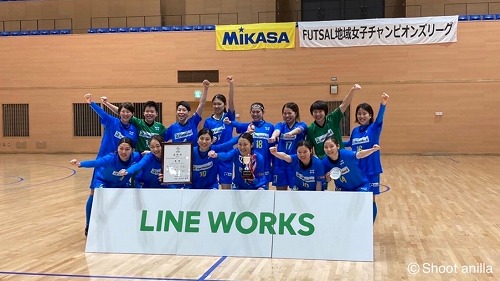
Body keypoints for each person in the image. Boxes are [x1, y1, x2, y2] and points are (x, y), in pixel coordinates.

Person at [82, 93, 138, 236]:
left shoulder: (133, 130)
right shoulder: (112, 122)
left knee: (121, 194)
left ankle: (117, 224)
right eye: (123, 111)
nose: (125, 114)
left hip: (121, 166)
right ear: (119, 113)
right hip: (104, 164)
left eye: (128, 112)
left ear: (132, 114)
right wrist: (91, 103)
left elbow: (133, 149)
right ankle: (89, 224)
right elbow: (101, 112)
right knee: (94, 193)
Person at [70, 137, 141, 236]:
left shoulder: (136, 157)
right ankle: (89, 225)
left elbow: (145, 161)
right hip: (103, 181)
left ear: (132, 150)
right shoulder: (110, 158)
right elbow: (96, 163)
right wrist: (80, 164)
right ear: (117, 148)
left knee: (132, 195)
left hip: (120, 183)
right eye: (121, 148)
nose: (123, 152)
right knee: (97, 195)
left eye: (127, 149)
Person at [321, 137, 380, 222]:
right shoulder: (324, 162)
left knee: (359, 203)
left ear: (337, 146)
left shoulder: (346, 154)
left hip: (360, 185)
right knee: (343, 210)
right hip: (343, 189)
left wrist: (372, 150)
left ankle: (366, 226)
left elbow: (359, 154)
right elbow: (325, 180)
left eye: (331, 146)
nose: (329, 149)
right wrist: (327, 178)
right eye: (326, 147)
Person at [344, 93, 389, 196]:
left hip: (371, 168)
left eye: (364, 113)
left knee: (370, 199)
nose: (361, 116)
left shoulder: (374, 127)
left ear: (370, 115)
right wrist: (334, 142)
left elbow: (380, 117)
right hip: (357, 168)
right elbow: (350, 143)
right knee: (359, 197)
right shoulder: (355, 131)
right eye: (359, 114)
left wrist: (383, 104)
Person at [306, 84, 361, 158]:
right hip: (325, 162)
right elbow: (309, 148)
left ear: (325, 112)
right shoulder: (310, 129)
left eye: (320, 111)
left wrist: (352, 90)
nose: (318, 114)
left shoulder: (332, 119)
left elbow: (344, 105)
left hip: (340, 157)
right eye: (315, 112)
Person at [227, 103, 274, 185]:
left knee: (263, 189)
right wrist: (230, 122)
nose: (255, 114)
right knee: (247, 187)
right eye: (253, 112)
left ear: (263, 112)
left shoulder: (270, 127)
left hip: (264, 164)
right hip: (247, 163)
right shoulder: (247, 126)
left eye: (258, 112)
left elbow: (273, 147)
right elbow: (238, 124)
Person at [203, 76, 236, 189]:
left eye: (219, 104)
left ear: (224, 105)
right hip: (212, 157)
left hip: (226, 156)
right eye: (214, 104)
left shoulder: (228, 117)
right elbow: (204, 139)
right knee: (212, 188)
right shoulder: (208, 121)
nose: (216, 106)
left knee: (226, 188)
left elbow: (231, 102)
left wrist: (231, 85)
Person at [101, 99, 166, 153]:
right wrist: (106, 103)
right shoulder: (138, 123)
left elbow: (166, 141)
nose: (149, 113)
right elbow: (124, 112)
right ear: (144, 113)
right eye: (147, 111)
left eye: (152, 112)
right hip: (139, 157)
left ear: (156, 113)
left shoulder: (160, 127)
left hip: (153, 156)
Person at [269, 102, 307, 190]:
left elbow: (298, 130)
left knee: (296, 189)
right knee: (280, 190)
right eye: (285, 113)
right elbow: (277, 131)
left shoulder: (302, 124)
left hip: (295, 161)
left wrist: (290, 133)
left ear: (296, 113)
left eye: (289, 113)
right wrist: (273, 136)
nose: (287, 115)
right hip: (280, 162)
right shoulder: (281, 125)